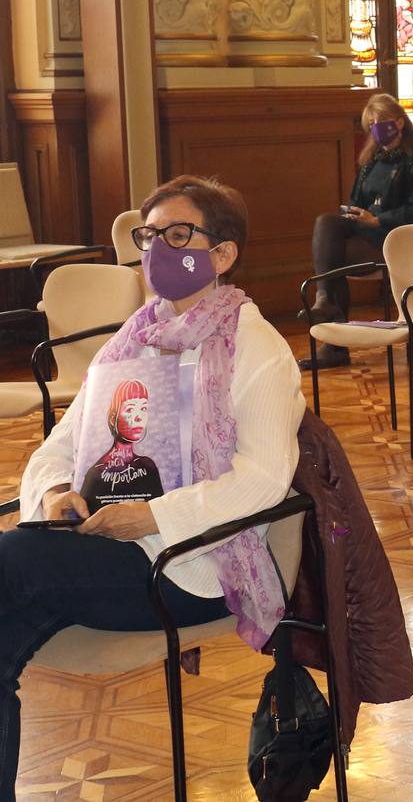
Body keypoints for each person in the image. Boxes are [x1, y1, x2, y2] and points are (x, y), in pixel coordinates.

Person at [5, 176, 305, 793]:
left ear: (222, 254)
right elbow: (58, 446)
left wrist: (153, 516)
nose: (156, 251)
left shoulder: (256, 348)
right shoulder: (128, 343)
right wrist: (59, 489)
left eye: (177, 235)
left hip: (193, 563)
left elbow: (264, 482)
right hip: (100, 548)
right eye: (148, 235)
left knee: (9, 559)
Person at [302, 92, 413, 369]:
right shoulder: (372, 161)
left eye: (380, 121)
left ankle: (333, 336)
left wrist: (377, 219)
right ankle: (326, 302)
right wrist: (354, 213)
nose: (375, 128)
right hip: (364, 230)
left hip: (395, 236)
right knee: (327, 223)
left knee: (333, 258)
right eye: (371, 124)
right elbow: (355, 200)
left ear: (399, 122)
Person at [79, 380, 166, 509]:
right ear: (113, 418)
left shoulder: (148, 467)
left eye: (143, 408)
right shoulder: (96, 474)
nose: (139, 417)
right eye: (130, 409)